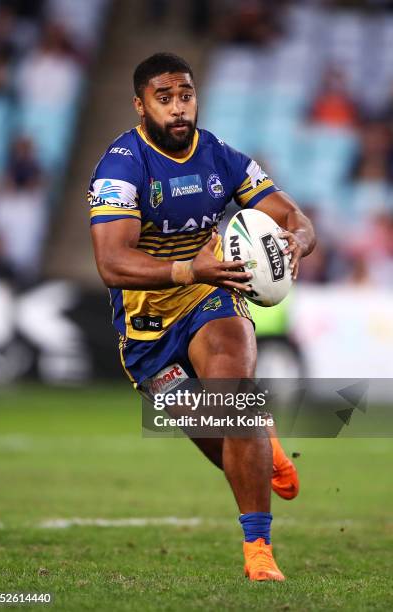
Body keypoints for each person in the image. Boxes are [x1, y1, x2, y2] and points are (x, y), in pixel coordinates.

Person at [89, 53, 315, 582]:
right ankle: (266, 442)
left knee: (233, 399)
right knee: (220, 435)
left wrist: (298, 239)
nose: (178, 108)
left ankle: (258, 550)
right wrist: (190, 267)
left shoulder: (219, 156)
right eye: (163, 98)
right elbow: (110, 262)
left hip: (213, 296)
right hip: (147, 327)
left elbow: (293, 215)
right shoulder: (122, 165)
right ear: (140, 105)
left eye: (185, 95)